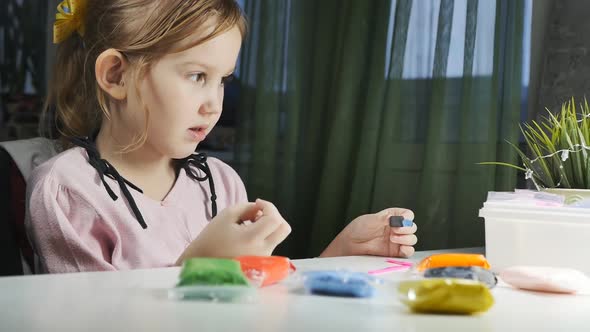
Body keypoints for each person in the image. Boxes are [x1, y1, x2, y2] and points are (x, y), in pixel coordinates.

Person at [26, 0, 418, 273]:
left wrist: (340, 254)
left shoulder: (219, 183)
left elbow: (258, 300)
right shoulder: (69, 191)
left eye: (223, 80)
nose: (214, 104)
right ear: (116, 75)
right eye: (197, 76)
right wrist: (196, 268)